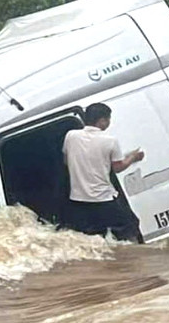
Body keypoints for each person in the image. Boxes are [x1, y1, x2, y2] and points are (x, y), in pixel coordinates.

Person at [62, 103, 144, 242]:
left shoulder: (71, 136)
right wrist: (133, 157)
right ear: (101, 121)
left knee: (95, 236)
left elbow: (66, 160)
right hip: (103, 198)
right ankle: (133, 259)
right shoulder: (110, 141)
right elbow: (118, 167)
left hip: (78, 199)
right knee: (130, 226)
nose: (109, 123)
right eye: (108, 119)